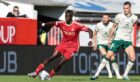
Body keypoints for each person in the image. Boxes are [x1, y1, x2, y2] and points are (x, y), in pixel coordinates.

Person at [27, 10, 93, 80]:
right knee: (51, 58)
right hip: (63, 44)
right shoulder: (62, 23)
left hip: (72, 48)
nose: (66, 18)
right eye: (65, 16)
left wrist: (90, 40)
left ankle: (49, 76)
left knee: (60, 63)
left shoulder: (77, 25)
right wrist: (44, 24)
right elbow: (53, 23)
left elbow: (90, 30)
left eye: (68, 16)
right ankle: (35, 72)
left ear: (71, 17)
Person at [97, 1, 138, 80]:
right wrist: (109, 37)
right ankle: (97, 74)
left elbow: (134, 27)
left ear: (130, 8)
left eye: (126, 8)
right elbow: (113, 27)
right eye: (124, 8)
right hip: (118, 39)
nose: (125, 10)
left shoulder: (135, 18)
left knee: (133, 58)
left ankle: (125, 75)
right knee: (108, 56)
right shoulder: (118, 16)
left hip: (127, 40)